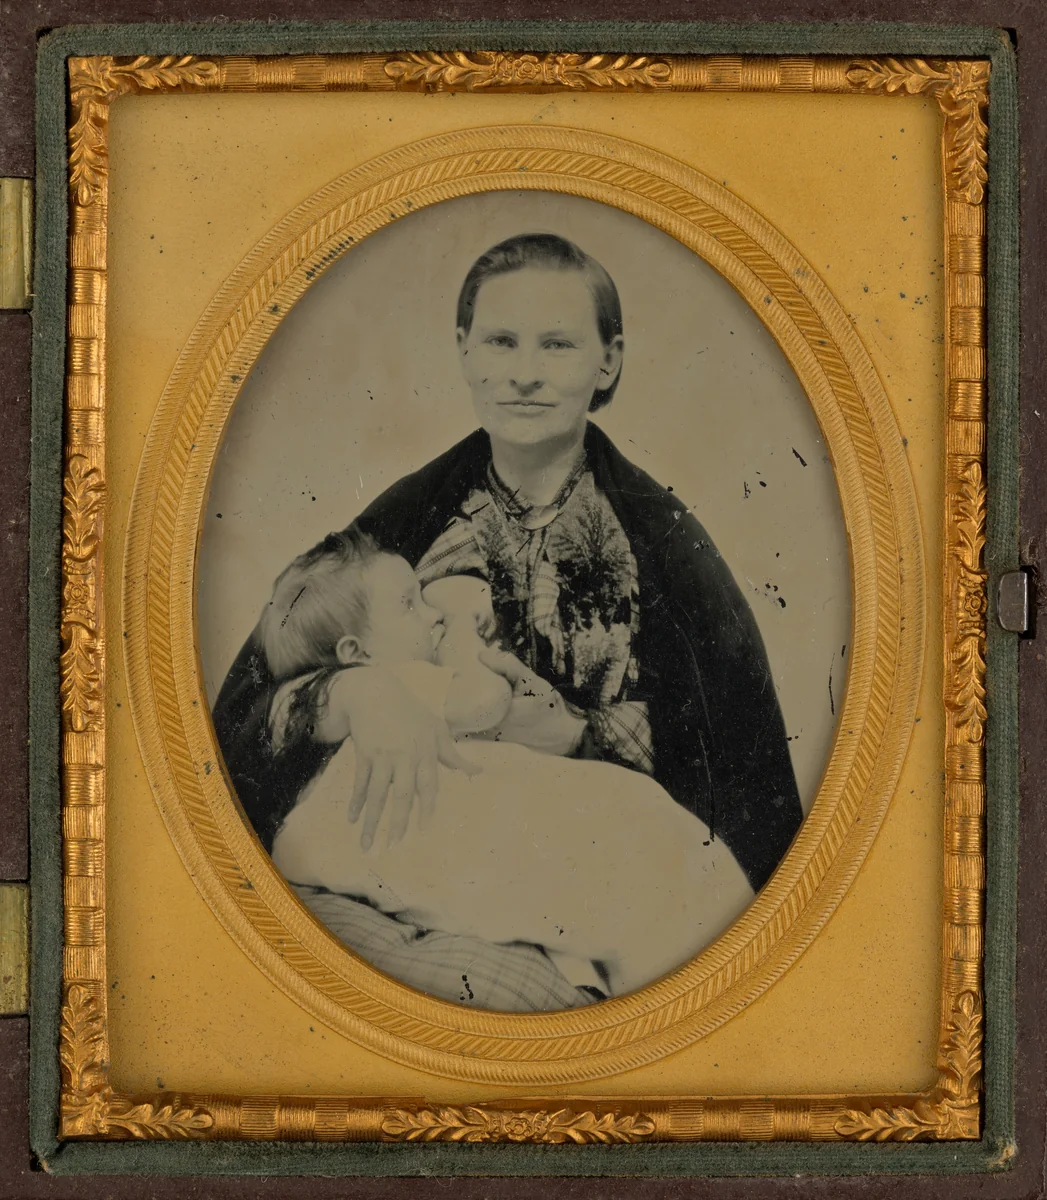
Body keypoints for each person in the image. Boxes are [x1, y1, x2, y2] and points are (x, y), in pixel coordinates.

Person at [213, 232, 802, 1008]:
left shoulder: (666, 546)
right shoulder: (410, 515)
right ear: (463, 351)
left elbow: (746, 791)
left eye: (557, 345)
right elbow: (241, 715)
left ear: (608, 362)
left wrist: (579, 738)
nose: (524, 372)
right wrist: (352, 694)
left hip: (592, 887)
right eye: (499, 341)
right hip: (426, 873)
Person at [260, 530, 755, 998]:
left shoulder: (350, 701)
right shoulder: (398, 683)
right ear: (356, 653)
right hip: (418, 829)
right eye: (409, 604)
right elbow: (485, 699)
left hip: (367, 844)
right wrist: (462, 630)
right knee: (641, 857)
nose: (429, 612)